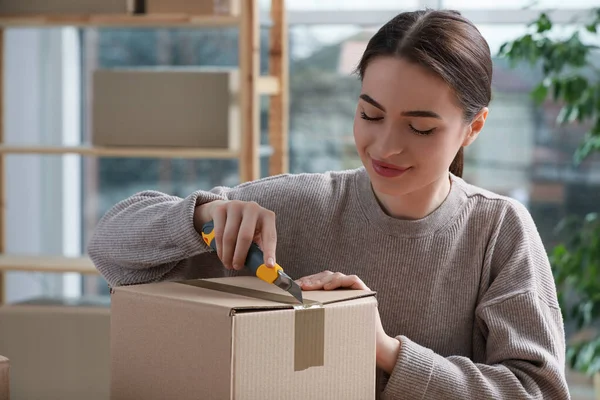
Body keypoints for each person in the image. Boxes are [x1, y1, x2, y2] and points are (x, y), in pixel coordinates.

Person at [88, 8, 570, 400]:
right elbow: (109, 250)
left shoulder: (498, 231)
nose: (385, 147)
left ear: (474, 127)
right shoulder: (295, 205)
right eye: (370, 114)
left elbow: (539, 391)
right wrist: (198, 217)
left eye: (420, 128)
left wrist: (386, 352)